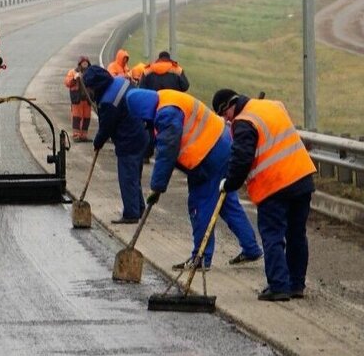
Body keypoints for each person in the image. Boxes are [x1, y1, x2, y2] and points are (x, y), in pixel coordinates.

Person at [126, 88, 263, 270]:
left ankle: (200, 257)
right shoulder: (166, 97)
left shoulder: (166, 114)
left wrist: (157, 187)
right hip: (223, 144)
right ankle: (251, 248)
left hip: (208, 157)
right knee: (226, 202)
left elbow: (167, 151)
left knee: (200, 204)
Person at [213, 89, 316, 302]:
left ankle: (279, 286)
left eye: (225, 115)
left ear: (230, 106)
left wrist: (230, 183)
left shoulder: (244, 122)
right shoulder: (273, 106)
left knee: (272, 234)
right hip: (302, 177)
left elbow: (241, 159)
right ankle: (296, 285)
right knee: (297, 233)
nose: (227, 120)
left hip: (274, 186)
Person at [82, 65, 149, 224]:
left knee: (127, 177)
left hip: (129, 140)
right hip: (142, 133)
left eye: (90, 87)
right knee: (134, 176)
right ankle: (139, 208)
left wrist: (97, 142)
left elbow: (106, 127)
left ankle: (131, 214)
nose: (90, 91)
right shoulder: (120, 82)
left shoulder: (108, 102)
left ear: (96, 84)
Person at [64, 56, 92, 142]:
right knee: (77, 117)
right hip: (77, 99)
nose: (85, 64)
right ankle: (76, 135)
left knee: (86, 118)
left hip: (87, 99)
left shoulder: (91, 73)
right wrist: (74, 78)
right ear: (80, 64)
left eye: (86, 63)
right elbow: (67, 83)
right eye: (83, 63)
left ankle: (84, 135)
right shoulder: (72, 72)